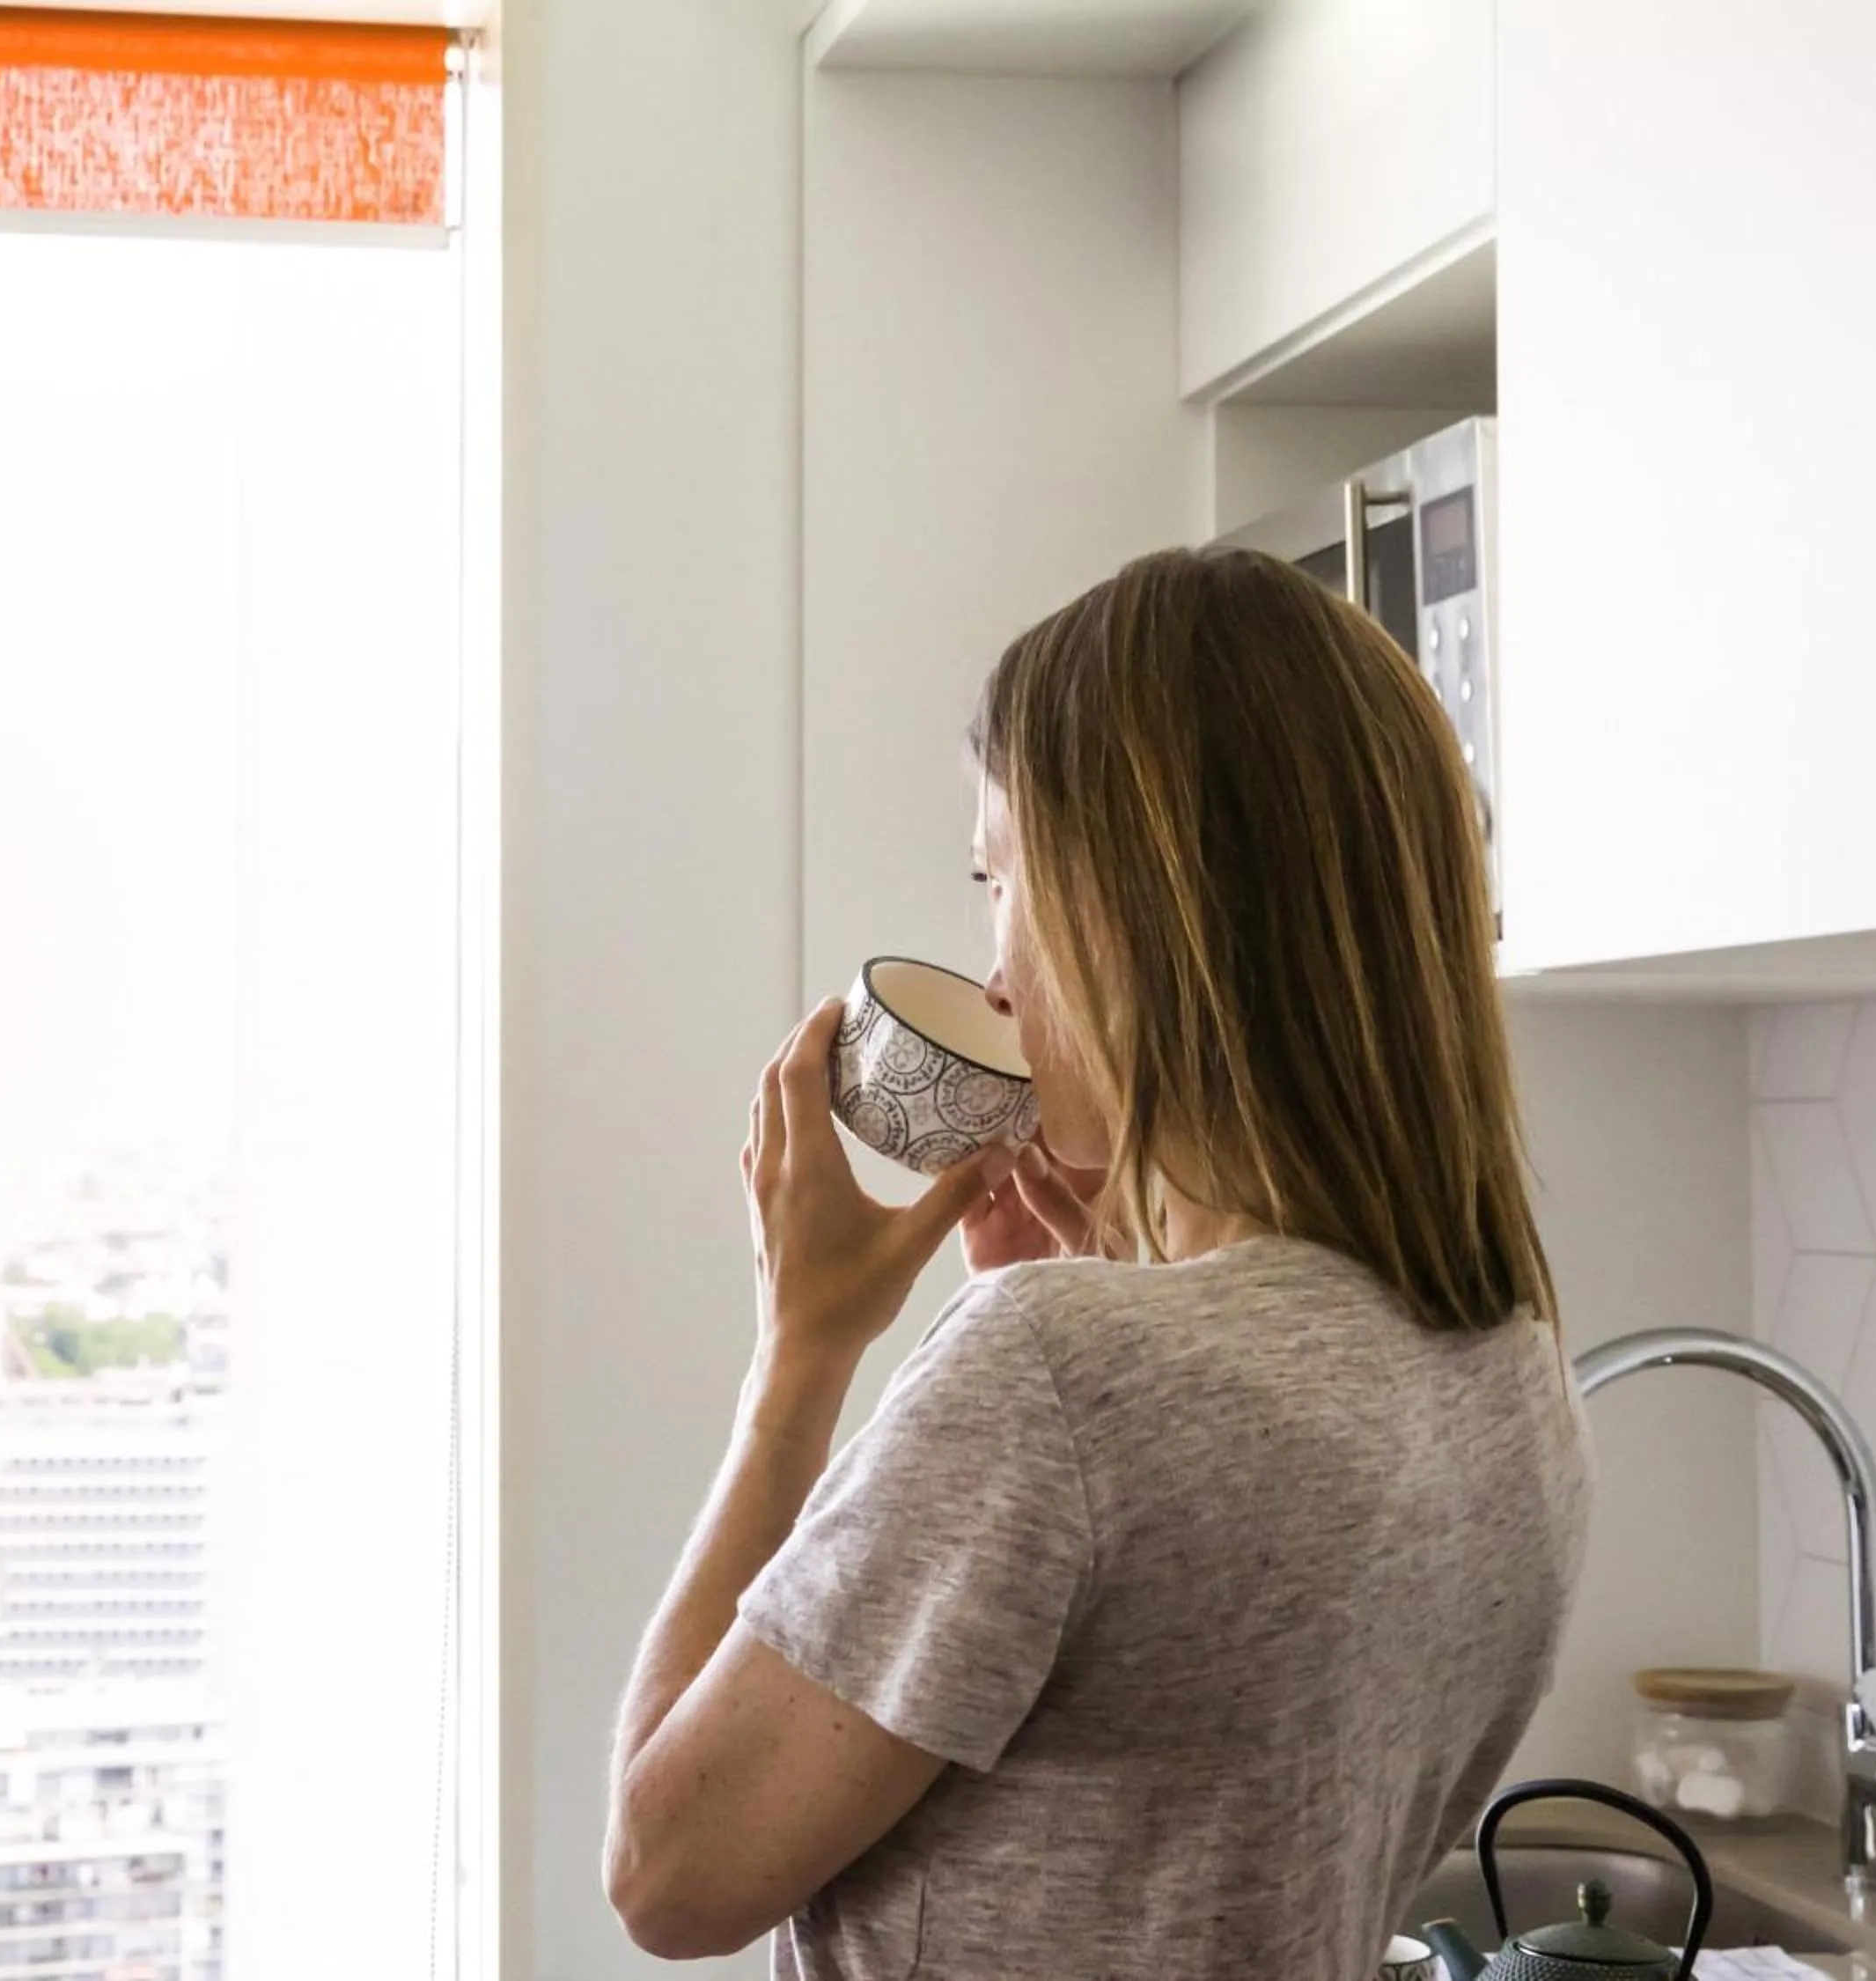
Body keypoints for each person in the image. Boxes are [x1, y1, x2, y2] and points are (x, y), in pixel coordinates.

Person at [601, 547, 1593, 1976]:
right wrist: (1107, 1277)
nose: (993, 967)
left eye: (1000, 875)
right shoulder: (1507, 1360)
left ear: (1140, 908)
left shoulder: (1060, 1376)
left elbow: (665, 1872)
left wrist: (798, 1360)